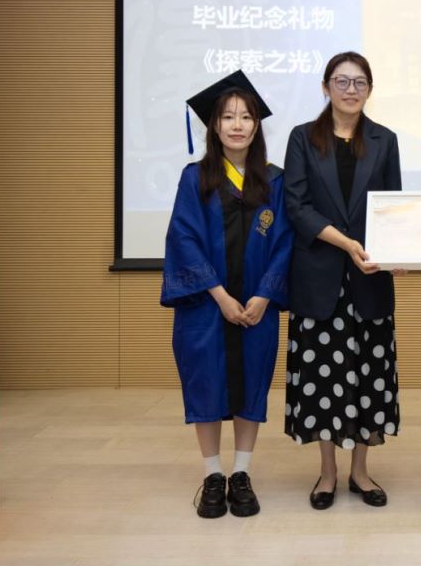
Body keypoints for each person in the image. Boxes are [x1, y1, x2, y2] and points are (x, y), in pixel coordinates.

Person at [160, 70, 293, 519]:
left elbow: (285, 242)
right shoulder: (194, 178)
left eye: (246, 116)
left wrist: (264, 296)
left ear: (257, 126)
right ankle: (213, 474)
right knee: (205, 384)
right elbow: (184, 238)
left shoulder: (274, 181)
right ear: (214, 125)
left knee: (251, 383)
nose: (237, 124)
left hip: (257, 307)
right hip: (205, 305)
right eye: (228, 116)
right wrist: (219, 295)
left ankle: (241, 473)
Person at [283, 51, 402, 509]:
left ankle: (361, 472)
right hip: (320, 278)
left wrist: (395, 251)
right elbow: (296, 207)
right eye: (341, 81)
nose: (351, 90)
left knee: (369, 376)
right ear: (325, 87)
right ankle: (328, 472)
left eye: (359, 82)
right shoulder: (302, 138)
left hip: (370, 276)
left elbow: (391, 208)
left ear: (369, 89)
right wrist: (348, 243)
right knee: (323, 378)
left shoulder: (385, 139)